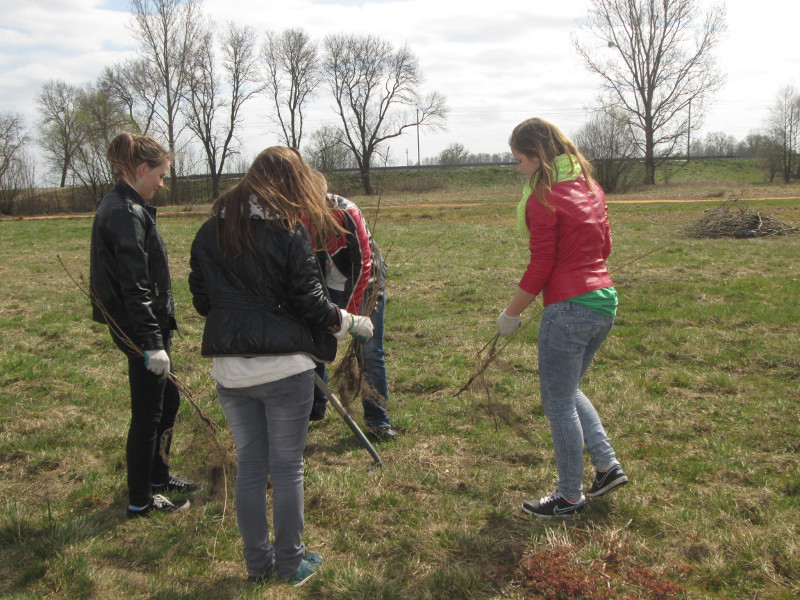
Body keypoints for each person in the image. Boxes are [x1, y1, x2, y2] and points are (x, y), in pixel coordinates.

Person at [188, 147, 373, 586]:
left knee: (251, 467)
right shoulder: (288, 234)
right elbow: (312, 304)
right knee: (287, 469)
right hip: (284, 371)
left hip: (231, 373)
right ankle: (290, 566)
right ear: (290, 187)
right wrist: (351, 322)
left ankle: (258, 566)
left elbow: (201, 300)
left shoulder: (207, 233)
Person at [497, 118, 628, 519]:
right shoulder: (591, 188)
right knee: (567, 390)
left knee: (557, 403)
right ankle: (606, 466)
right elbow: (604, 245)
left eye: (520, 159)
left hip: (569, 309)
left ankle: (569, 496)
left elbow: (541, 264)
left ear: (538, 156)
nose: (518, 168)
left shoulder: (544, 198)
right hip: (603, 302)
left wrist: (511, 313)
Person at [89, 132, 196, 519]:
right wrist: (152, 343)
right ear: (141, 169)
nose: (163, 183)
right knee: (149, 413)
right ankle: (140, 500)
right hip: (139, 329)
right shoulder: (124, 213)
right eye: (161, 175)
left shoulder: (128, 206)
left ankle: (157, 478)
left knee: (168, 401)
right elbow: (135, 285)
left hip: (143, 325)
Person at [306, 173, 397, 442]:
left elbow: (362, 268)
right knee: (314, 343)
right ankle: (313, 408)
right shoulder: (291, 217)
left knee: (368, 350)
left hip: (366, 282)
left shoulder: (344, 212)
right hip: (324, 284)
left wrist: (355, 318)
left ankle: (378, 421)